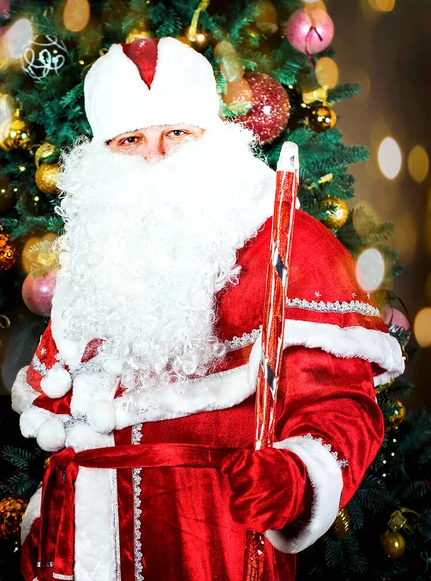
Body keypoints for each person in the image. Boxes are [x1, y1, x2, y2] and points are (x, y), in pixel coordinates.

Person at [12, 37, 404, 581]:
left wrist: (294, 476)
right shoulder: (95, 258)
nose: (156, 155)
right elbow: (59, 409)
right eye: (130, 139)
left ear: (211, 135)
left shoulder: (288, 245)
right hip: (81, 544)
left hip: (210, 541)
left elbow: (341, 405)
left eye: (176, 131)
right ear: (103, 154)